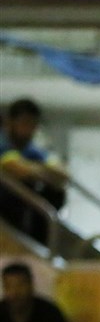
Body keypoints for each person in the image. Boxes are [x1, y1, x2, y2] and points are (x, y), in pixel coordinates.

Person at [0, 98, 68, 244]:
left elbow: (62, 175)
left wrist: (33, 170)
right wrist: (41, 171)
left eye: (33, 124)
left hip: (25, 210)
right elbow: (16, 168)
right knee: (15, 188)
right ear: (10, 123)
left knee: (56, 191)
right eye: (24, 123)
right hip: (6, 205)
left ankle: (40, 240)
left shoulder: (32, 150)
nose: (29, 129)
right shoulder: (2, 143)